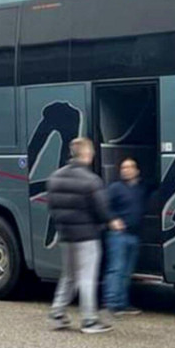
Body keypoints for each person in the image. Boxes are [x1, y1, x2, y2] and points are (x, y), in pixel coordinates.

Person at [47, 138, 124, 334]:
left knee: (69, 276)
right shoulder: (91, 180)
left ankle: (57, 314)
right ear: (86, 154)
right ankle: (89, 320)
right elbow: (101, 207)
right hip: (87, 236)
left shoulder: (55, 177)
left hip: (66, 234)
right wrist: (112, 221)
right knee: (87, 277)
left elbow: (52, 207)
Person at [103, 158, 146, 316]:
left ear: (137, 171)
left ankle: (122, 303)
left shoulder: (142, 188)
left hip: (134, 236)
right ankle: (112, 303)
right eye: (123, 168)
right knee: (116, 269)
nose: (126, 170)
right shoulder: (115, 188)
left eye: (129, 167)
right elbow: (103, 206)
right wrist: (112, 219)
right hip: (118, 235)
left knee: (127, 272)